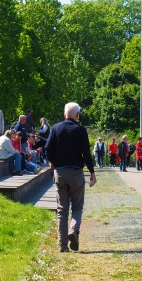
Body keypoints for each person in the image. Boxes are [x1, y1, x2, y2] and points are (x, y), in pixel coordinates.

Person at [45, 102, 97, 253]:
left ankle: (62, 246)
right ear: (77, 115)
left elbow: (48, 148)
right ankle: (73, 230)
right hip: (76, 172)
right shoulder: (80, 130)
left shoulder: (55, 128)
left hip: (60, 172)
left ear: (64, 115)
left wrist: (52, 162)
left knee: (62, 210)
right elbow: (86, 153)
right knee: (78, 206)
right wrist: (92, 172)